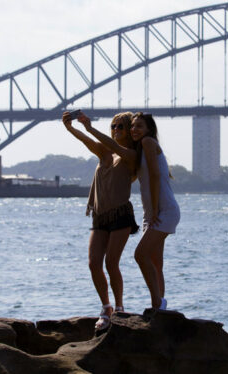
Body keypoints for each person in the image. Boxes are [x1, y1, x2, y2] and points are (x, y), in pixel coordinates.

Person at [81, 111, 179, 311]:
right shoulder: (141, 149)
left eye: (139, 126)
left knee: (140, 255)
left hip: (163, 210)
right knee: (155, 262)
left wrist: (153, 210)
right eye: (132, 126)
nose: (134, 129)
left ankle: (157, 304)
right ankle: (161, 307)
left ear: (149, 129)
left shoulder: (148, 143)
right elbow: (116, 149)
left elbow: (154, 176)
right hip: (152, 211)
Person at [62, 110, 139, 330]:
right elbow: (89, 141)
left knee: (111, 262)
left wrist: (89, 126)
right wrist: (71, 128)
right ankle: (106, 306)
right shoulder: (104, 152)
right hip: (100, 215)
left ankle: (120, 307)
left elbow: (111, 145)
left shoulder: (130, 155)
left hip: (120, 215)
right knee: (93, 263)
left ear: (129, 130)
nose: (115, 130)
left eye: (120, 127)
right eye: (113, 126)